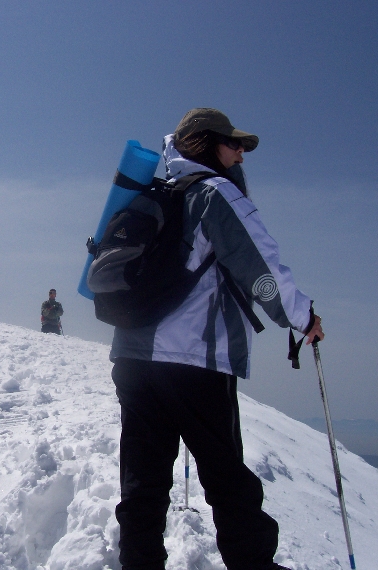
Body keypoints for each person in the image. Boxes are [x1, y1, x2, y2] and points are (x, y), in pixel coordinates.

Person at [109, 108, 324, 570]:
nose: (241, 153)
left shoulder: (155, 193)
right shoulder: (215, 194)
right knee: (228, 477)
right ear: (205, 143)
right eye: (234, 144)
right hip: (195, 360)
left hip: (132, 357)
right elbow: (259, 268)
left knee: (143, 479)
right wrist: (302, 317)